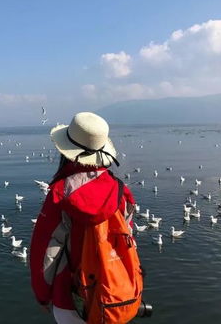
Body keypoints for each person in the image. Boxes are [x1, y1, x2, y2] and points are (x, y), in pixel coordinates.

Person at [30, 112, 137, 324]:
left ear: (66, 151)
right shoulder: (121, 191)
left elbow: (45, 252)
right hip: (114, 294)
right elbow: (129, 240)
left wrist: (43, 295)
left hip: (70, 296)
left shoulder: (60, 193)